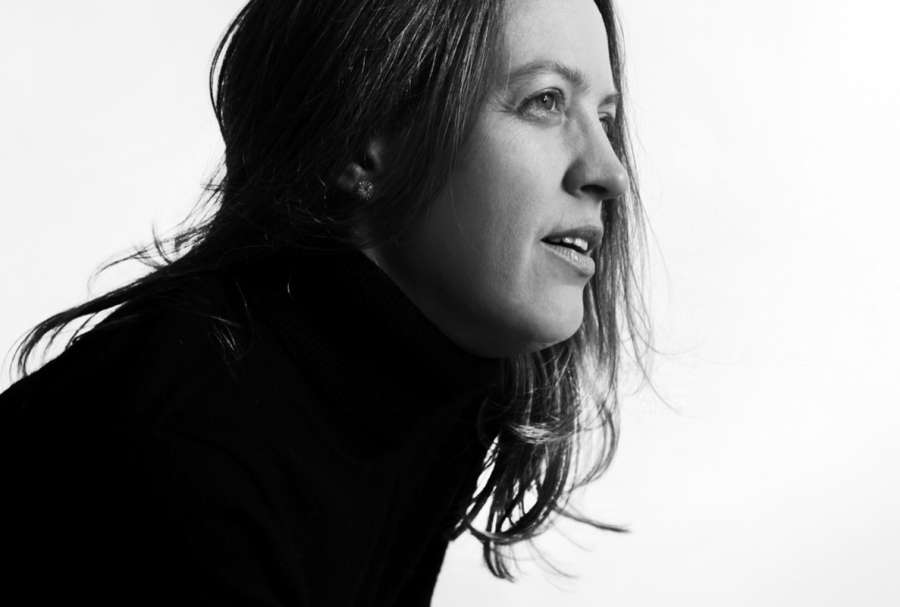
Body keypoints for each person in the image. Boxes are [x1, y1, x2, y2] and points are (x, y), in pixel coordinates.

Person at [0, 0, 652, 604]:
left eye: (604, 119)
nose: (610, 172)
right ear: (365, 137)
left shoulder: (402, 397)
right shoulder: (186, 459)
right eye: (544, 101)